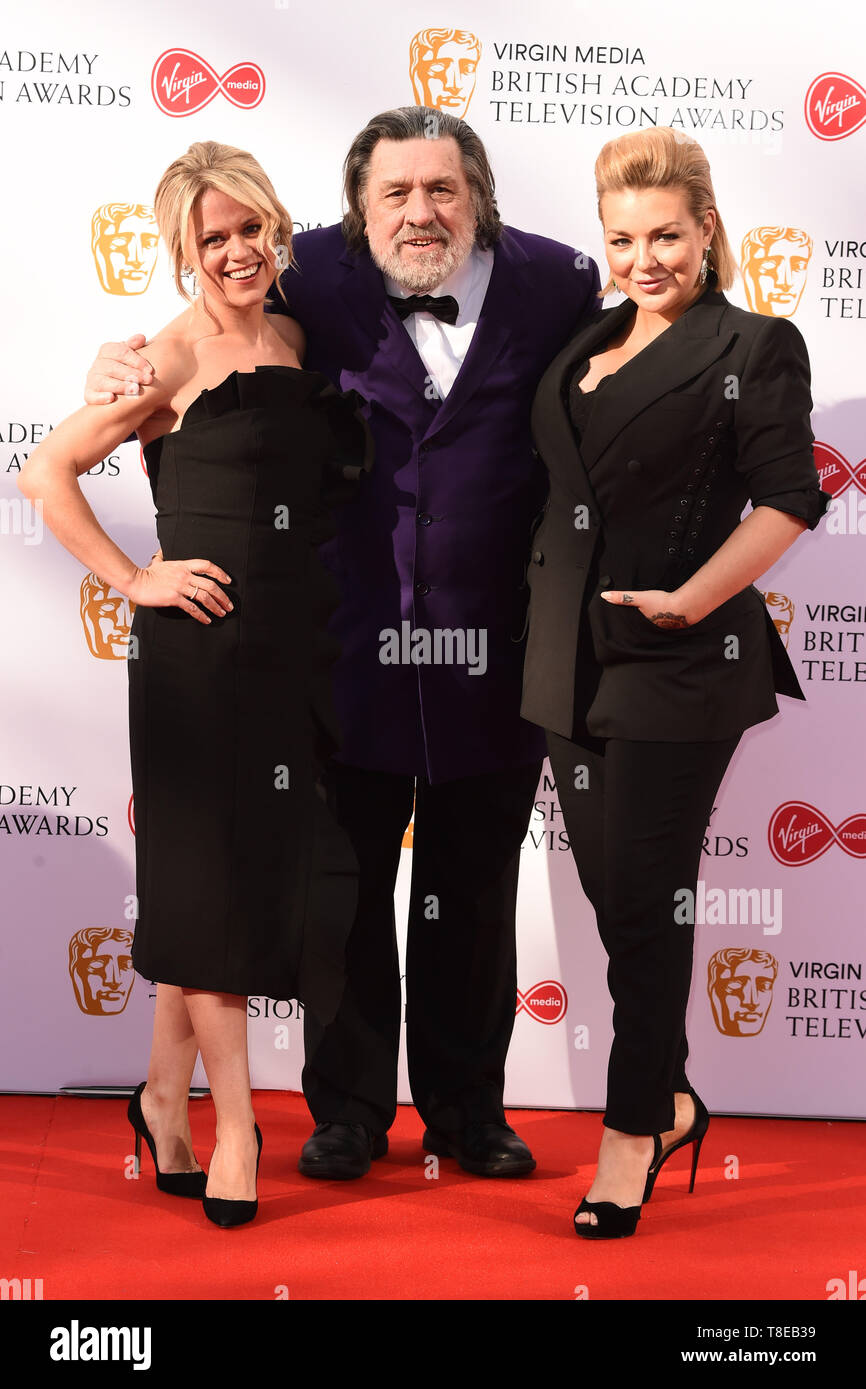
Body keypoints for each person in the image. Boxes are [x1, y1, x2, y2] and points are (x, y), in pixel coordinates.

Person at [85, 107, 600, 1181]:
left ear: (479, 196)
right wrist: (115, 364)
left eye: (442, 189)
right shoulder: (305, 273)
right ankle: (350, 1112)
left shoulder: (557, 282)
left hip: (490, 647)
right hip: (334, 644)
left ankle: (467, 1112)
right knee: (343, 888)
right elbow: (210, 324)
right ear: (358, 209)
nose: (421, 211)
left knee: (469, 892)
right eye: (395, 193)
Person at [20, 140, 370, 1226]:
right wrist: (132, 577)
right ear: (181, 252)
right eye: (209, 238)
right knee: (214, 896)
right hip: (199, 658)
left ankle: (161, 1100)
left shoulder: (299, 333)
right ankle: (236, 1125)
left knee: (216, 893)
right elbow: (44, 471)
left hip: (292, 652)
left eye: (247, 229)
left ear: (275, 227)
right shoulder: (165, 358)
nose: (234, 251)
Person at [521, 127, 829, 1238]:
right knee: (622, 907)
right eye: (620, 237)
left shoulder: (752, 342)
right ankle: (678, 1094)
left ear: (705, 226)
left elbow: (789, 498)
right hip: (563, 659)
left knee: (644, 905)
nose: (642, 257)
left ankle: (631, 1127)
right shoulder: (586, 338)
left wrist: (691, 600)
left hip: (681, 660)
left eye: (663, 234)